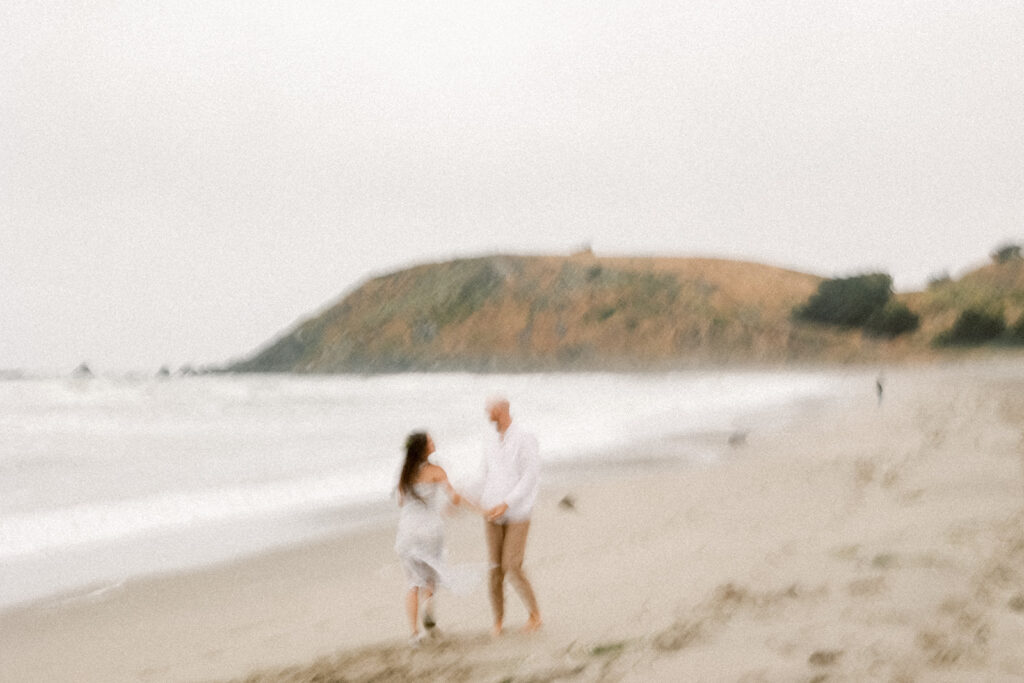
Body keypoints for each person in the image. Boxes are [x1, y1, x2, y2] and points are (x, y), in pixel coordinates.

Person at [474, 397, 543, 635]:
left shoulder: (524, 437)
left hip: (518, 512)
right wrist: (473, 498)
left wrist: (508, 502)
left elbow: (530, 476)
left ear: (502, 409)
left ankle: (535, 614)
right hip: (491, 512)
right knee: (495, 569)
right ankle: (498, 621)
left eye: (489, 408)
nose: (486, 412)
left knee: (512, 566)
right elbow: (485, 474)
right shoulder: (490, 439)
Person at [394, 431, 469, 644]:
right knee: (430, 577)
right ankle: (429, 617)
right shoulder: (436, 470)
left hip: (408, 531)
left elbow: (401, 502)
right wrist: (456, 501)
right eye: (430, 441)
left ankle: (414, 633)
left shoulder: (404, 473)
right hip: (430, 530)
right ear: (423, 448)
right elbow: (453, 497)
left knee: (412, 583)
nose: (434, 442)